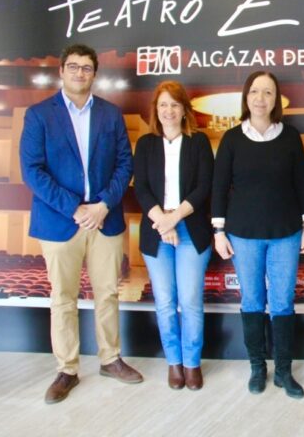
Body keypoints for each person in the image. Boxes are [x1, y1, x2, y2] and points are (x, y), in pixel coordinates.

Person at [20, 44, 142, 405]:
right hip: (60, 222)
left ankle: (110, 359)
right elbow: (32, 171)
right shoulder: (39, 115)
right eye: (73, 67)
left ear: (94, 74)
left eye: (86, 68)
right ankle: (67, 369)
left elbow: (125, 165)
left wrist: (103, 204)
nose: (79, 73)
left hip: (104, 219)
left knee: (107, 292)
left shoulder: (110, 114)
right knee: (63, 298)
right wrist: (75, 208)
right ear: (61, 71)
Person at [211, 71, 304, 399]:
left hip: (286, 234)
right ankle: (257, 367)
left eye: (267, 92)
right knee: (252, 301)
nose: (260, 98)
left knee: (282, 303)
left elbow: (302, 183)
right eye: (254, 91)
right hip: (243, 235)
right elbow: (218, 188)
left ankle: (284, 370)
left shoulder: (290, 137)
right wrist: (218, 231)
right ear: (246, 97)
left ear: (276, 99)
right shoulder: (231, 139)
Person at [133, 81, 213, 391]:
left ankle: (192, 364)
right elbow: (141, 188)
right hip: (155, 230)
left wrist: (173, 220)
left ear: (184, 111)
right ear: (156, 109)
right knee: (165, 302)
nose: (168, 110)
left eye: (175, 105)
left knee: (190, 300)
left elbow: (204, 187)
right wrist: (162, 223)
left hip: (190, 227)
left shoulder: (199, 143)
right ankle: (174, 363)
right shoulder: (146, 144)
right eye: (163, 104)